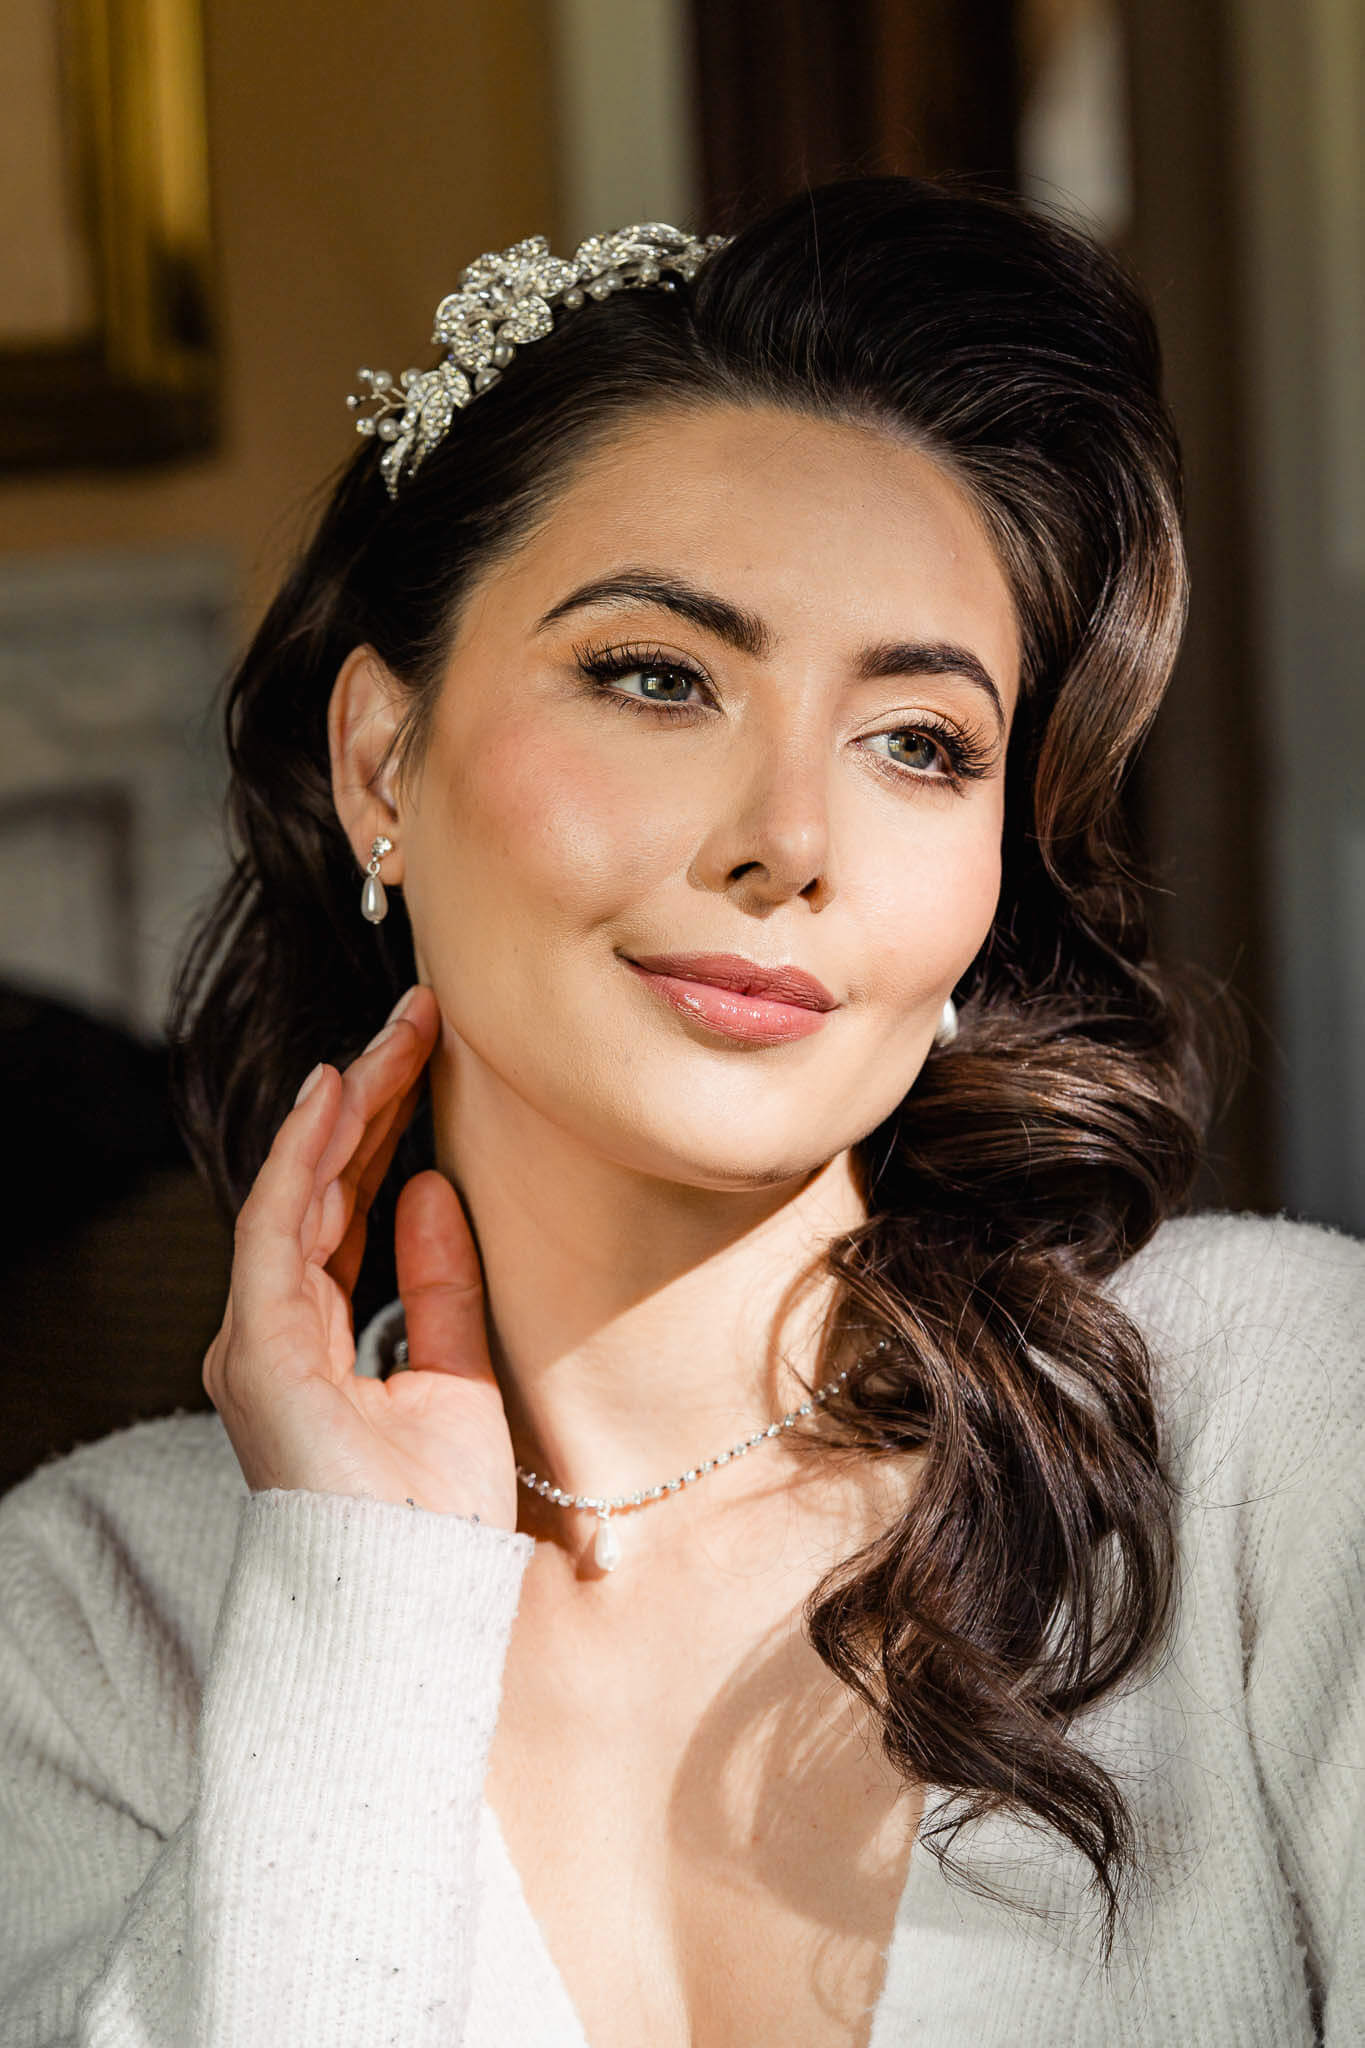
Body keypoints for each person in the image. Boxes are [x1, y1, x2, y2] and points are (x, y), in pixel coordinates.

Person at [0, 178, 1360, 2048]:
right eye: (657, 677)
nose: (789, 840)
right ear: (380, 760)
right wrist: (365, 1600)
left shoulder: (1274, 1432)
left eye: (919, 742)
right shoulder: (90, 1618)